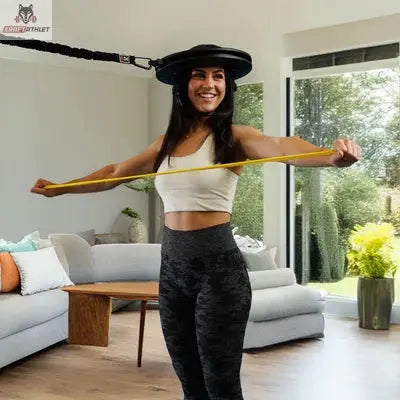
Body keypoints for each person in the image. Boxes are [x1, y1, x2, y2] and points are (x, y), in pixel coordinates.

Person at [31, 44, 361, 400]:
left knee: (221, 386)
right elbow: (115, 173)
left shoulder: (234, 137)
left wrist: (329, 157)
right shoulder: (166, 144)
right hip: (173, 271)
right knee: (189, 382)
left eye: (218, 76)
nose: (210, 84)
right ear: (183, 86)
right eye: (199, 75)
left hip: (219, 274)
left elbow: (282, 146)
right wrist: (61, 188)